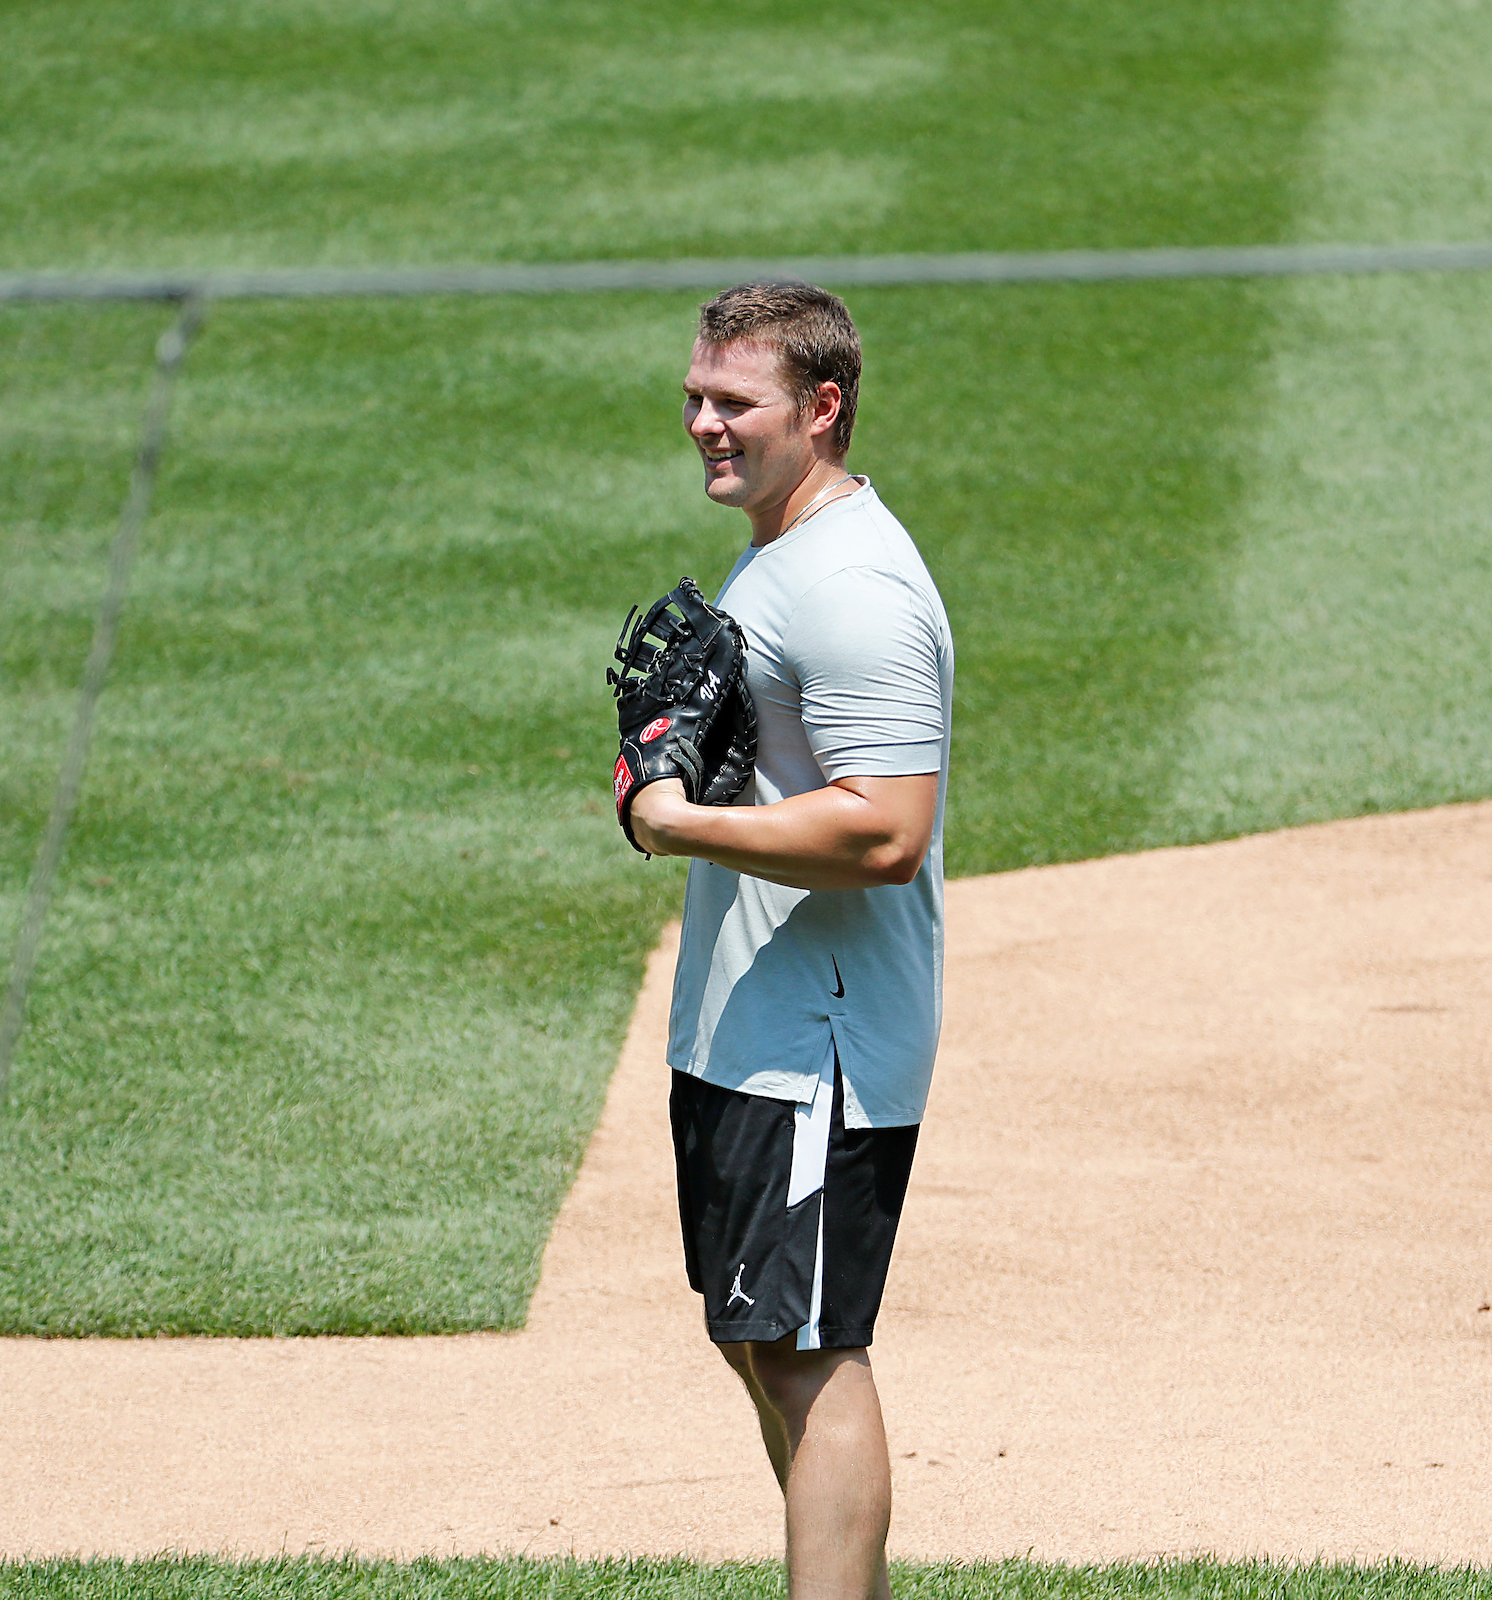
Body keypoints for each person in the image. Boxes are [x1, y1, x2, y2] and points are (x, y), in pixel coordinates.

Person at [625, 280, 952, 1600]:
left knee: (810, 1348)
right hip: (748, 1029)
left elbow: (887, 832)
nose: (706, 422)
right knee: (762, 1338)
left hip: (818, 1041)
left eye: (734, 402)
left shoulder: (857, 590)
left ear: (821, 410)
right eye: (695, 398)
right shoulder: (780, 553)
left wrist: (671, 822)